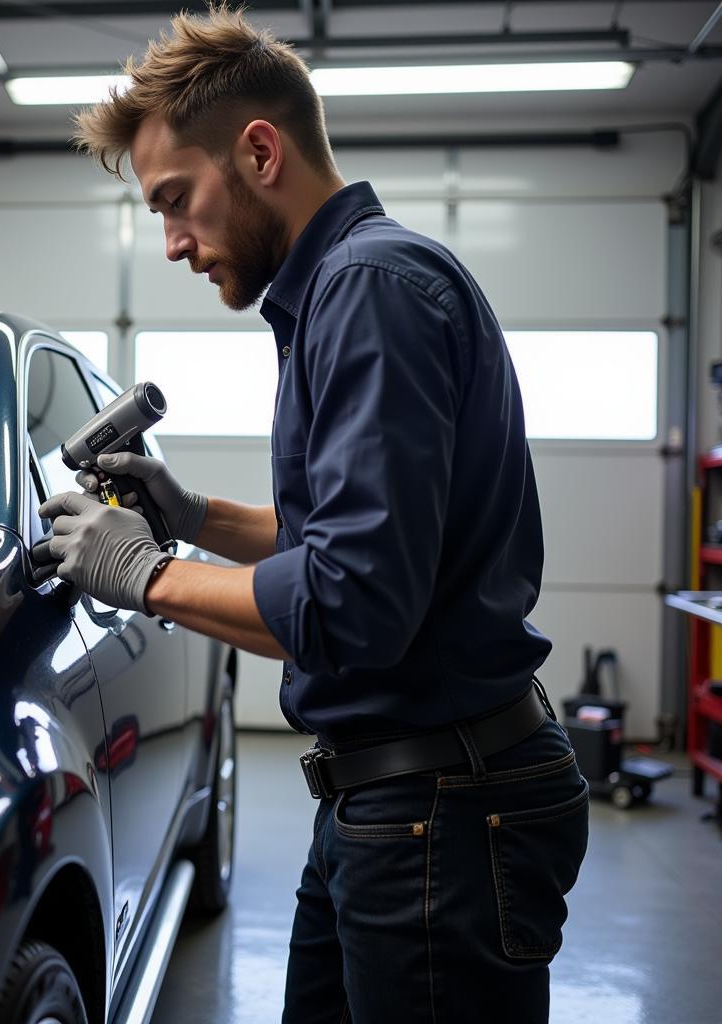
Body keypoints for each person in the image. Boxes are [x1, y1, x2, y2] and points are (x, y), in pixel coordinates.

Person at [38, 7, 589, 1023]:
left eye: (176, 201)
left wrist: (141, 574)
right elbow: (333, 537)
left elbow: (356, 602)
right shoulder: (343, 291)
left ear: (257, 151)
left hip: (441, 815)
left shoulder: (369, 290)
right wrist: (191, 514)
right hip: (395, 804)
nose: (169, 245)